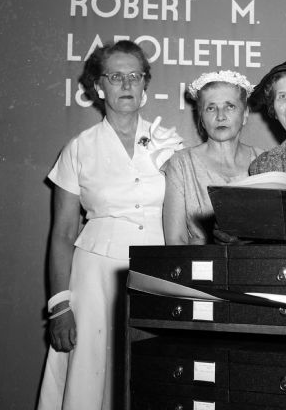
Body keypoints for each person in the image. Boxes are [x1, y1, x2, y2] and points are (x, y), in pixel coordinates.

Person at [37, 40, 184, 410]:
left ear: (145, 86)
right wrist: (59, 307)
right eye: (116, 76)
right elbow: (63, 234)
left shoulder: (170, 143)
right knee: (90, 378)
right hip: (94, 279)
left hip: (157, 274)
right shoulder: (79, 148)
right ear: (99, 87)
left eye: (134, 76)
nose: (126, 84)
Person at [162, 70, 261, 245]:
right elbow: (175, 241)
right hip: (199, 268)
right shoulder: (182, 163)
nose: (220, 116)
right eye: (211, 108)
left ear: (245, 114)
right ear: (201, 117)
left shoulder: (264, 160)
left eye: (230, 106)